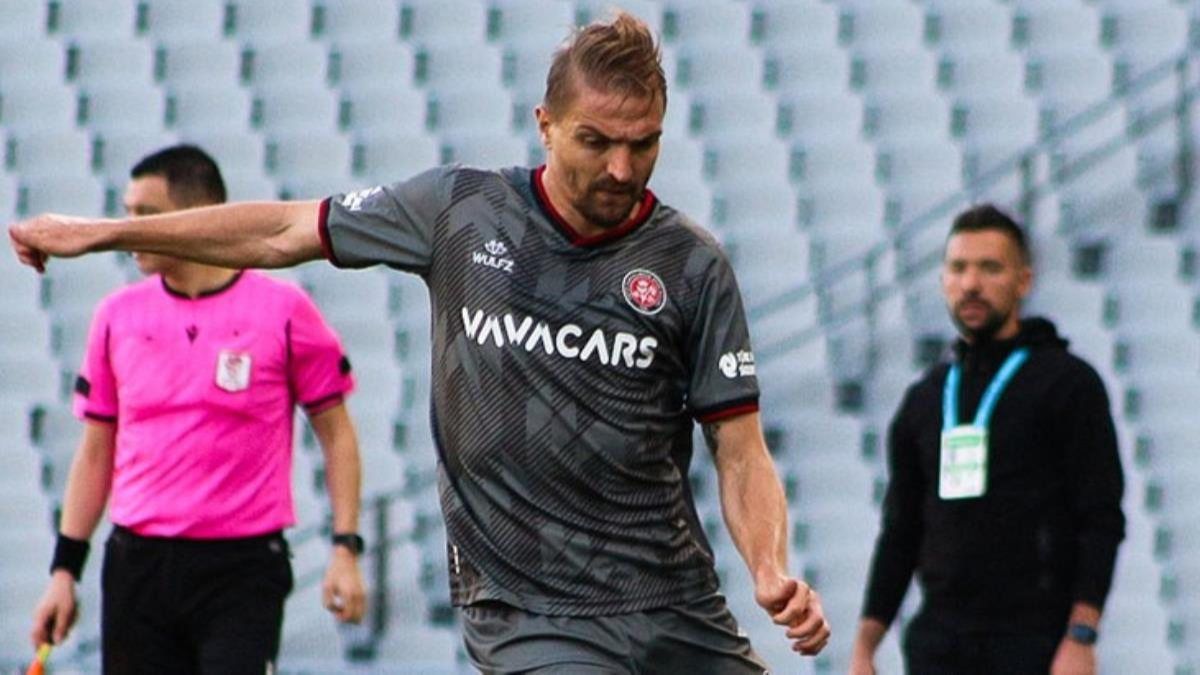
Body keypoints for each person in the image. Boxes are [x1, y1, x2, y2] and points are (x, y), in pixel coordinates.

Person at [9, 13, 830, 673]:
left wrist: (767, 563)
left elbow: (740, 447)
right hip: (528, 612)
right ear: (545, 126)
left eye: (643, 142)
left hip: (674, 604)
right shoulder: (459, 212)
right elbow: (282, 229)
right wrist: (106, 233)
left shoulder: (691, 265)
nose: (622, 167)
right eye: (597, 141)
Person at [25, 145, 367, 674]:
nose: (132, 230)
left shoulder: (284, 311)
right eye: (128, 213)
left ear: (195, 218)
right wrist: (63, 572)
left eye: (147, 215)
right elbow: (95, 453)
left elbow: (337, 435)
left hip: (241, 569)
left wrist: (345, 547)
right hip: (138, 565)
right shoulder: (117, 315)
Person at [848, 204, 1126, 675]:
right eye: (958, 268)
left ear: (1024, 281)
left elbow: (1100, 518)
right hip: (939, 644)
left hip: (1034, 641)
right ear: (943, 281)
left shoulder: (1068, 384)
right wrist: (865, 647)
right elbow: (901, 531)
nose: (971, 283)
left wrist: (1081, 636)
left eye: (990, 268)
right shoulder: (925, 399)